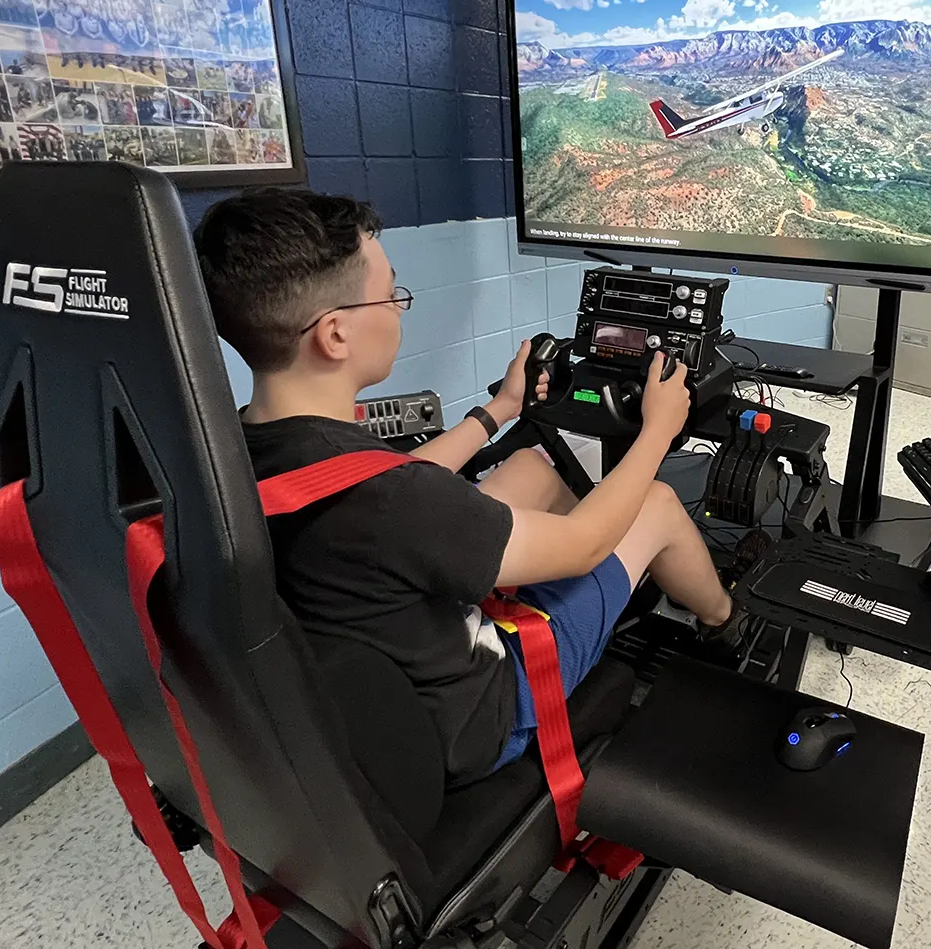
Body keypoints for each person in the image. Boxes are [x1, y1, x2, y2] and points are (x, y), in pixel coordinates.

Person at [193, 189, 747, 786]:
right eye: (390, 294)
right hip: (480, 712)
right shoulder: (394, 504)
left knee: (535, 468)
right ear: (335, 336)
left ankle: (592, 582)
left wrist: (499, 409)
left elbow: (370, 479)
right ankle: (723, 623)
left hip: (373, 647)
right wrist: (660, 430)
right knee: (657, 504)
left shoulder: (246, 442)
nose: (398, 308)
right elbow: (584, 541)